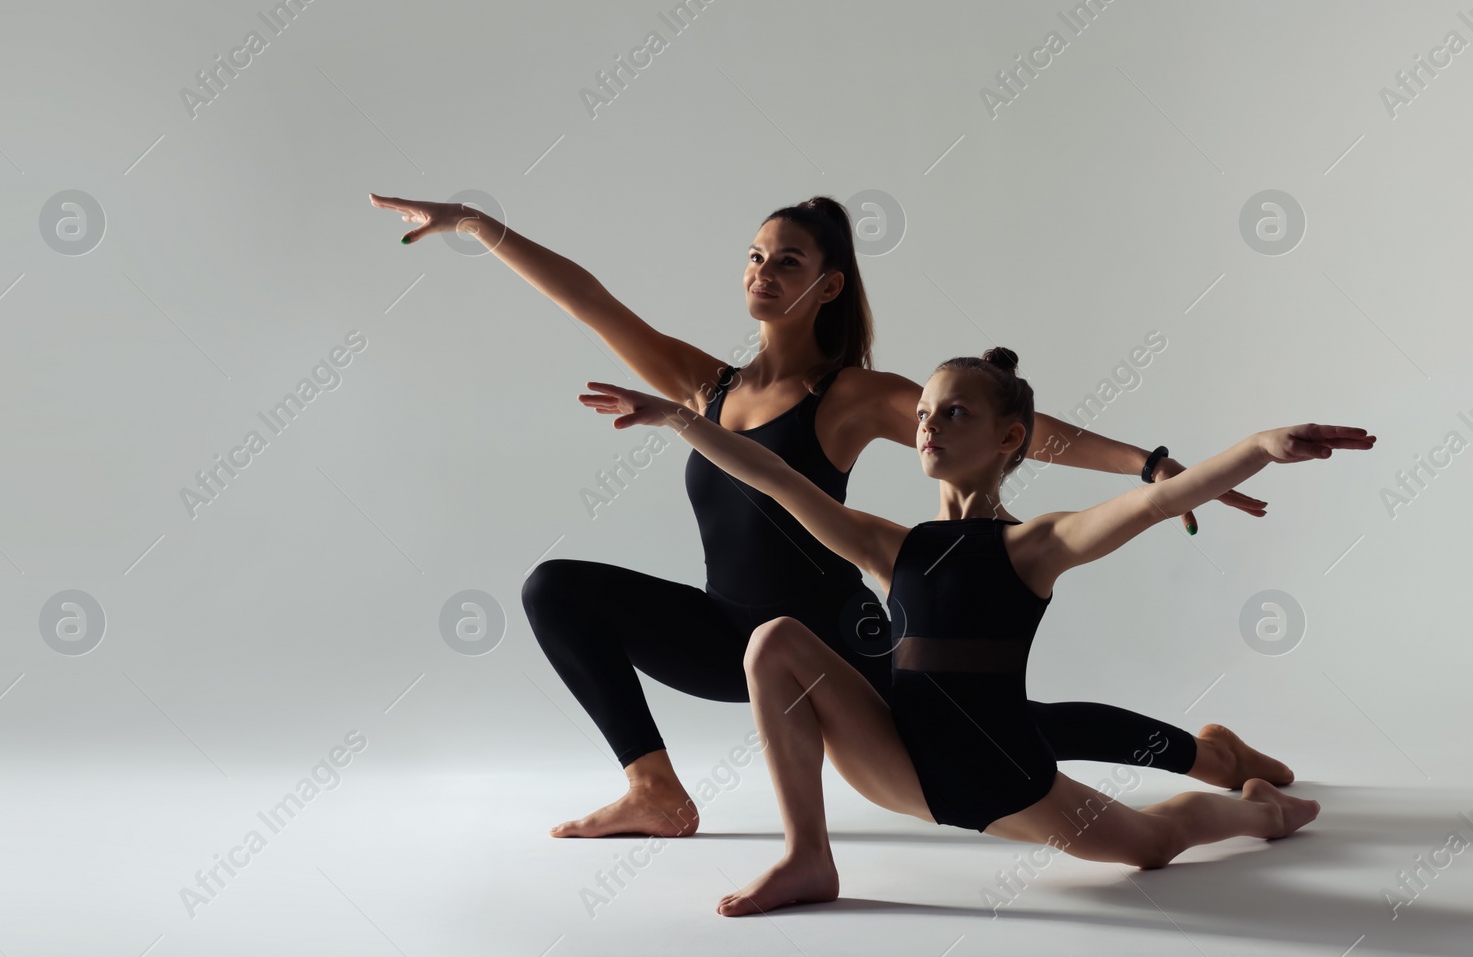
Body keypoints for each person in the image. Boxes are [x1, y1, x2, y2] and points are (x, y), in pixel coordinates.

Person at [368, 191, 1287, 840]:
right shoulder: (707, 385)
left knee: (1014, 726)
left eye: (791, 262)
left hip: (836, 636)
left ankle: (1206, 755)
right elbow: (594, 303)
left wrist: (1148, 463)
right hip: (730, 630)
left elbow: (1017, 427)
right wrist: (481, 228)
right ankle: (652, 786)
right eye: (757, 256)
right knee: (555, 589)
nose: (766, 272)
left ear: (830, 286)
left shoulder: (848, 396)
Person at [577, 349, 1374, 915]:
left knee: (1154, 844)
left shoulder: (1037, 546)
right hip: (900, 768)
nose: (926, 426)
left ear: (1008, 439)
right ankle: (808, 857)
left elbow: (1159, 503)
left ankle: (1261, 809)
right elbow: (778, 478)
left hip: (1008, 780)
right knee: (773, 639)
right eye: (922, 413)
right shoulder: (891, 547)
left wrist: (1258, 448)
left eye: (952, 413)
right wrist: (681, 420)